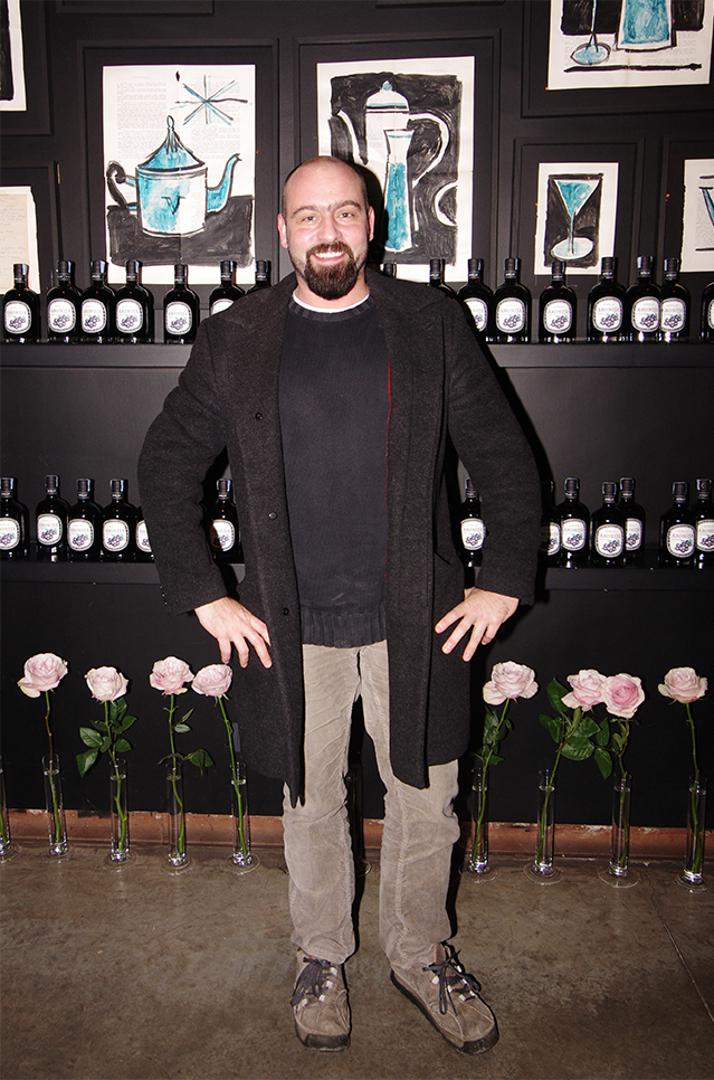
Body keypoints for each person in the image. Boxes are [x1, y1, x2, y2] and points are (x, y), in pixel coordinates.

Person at [138, 156, 541, 1056]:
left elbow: (506, 458)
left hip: (418, 617)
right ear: (282, 230)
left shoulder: (429, 324)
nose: (328, 232)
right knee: (311, 798)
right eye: (309, 216)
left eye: (346, 213)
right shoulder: (237, 337)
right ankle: (321, 955)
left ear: (373, 224)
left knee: (426, 797)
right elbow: (166, 465)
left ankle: (420, 954)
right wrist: (204, 594)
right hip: (294, 624)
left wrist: (504, 577)